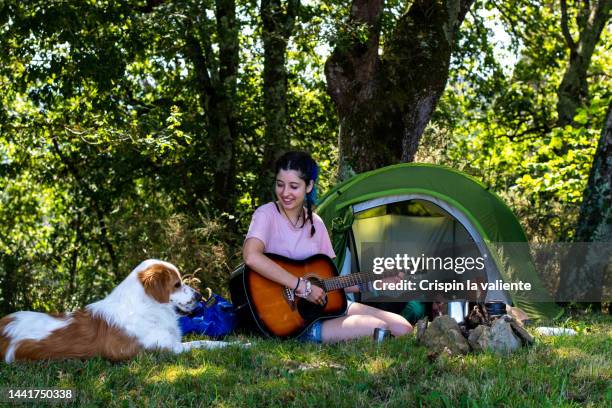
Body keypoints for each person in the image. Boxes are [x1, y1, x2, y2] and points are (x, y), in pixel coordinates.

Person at [242, 151, 412, 343]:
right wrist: (302, 287)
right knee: (377, 327)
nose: (285, 193)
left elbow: (331, 282)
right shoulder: (266, 215)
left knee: (403, 327)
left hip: (325, 307)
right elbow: (251, 256)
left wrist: (375, 283)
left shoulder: (316, 223)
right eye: (280, 185)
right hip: (294, 320)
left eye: (294, 186)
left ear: (309, 186)